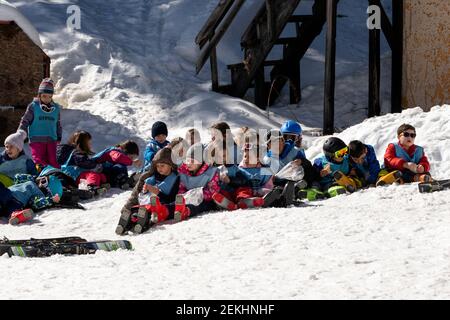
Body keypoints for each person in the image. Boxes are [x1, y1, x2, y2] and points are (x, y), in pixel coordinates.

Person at [115, 147, 180, 235]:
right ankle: (127, 222)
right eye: (157, 166)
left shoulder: (175, 179)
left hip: (160, 207)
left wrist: (157, 192)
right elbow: (136, 194)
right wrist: (144, 191)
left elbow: (171, 199)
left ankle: (142, 222)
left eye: (162, 166)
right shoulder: (151, 177)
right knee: (136, 209)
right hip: (145, 204)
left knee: (150, 211)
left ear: (171, 166)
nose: (159, 168)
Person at [18, 78, 62, 170]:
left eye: (50, 96)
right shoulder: (33, 106)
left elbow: (57, 123)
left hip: (51, 139)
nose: (47, 99)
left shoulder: (56, 108)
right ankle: (40, 179)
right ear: (39, 95)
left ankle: (56, 178)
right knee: (39, 162)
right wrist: (21, 132)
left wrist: (59, 136)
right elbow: (25, 120)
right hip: (36, 139)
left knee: (53, 161)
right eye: (44, 96)